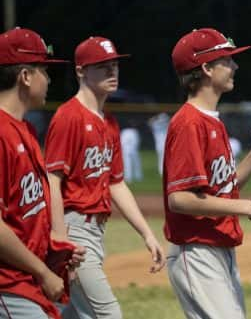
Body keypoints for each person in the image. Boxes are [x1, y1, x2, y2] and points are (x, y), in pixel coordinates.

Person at [163, 28, 251, 319]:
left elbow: (223, 189)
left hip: (216, 247)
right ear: (206, 68)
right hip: (196, 250)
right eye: (227, 60)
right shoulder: (188, 123)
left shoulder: (211, 122)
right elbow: (180, 199)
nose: (235, 66)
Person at [44, 36, 165, 319]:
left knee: (66, 314)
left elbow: (116, 182)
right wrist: (61, 242)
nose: (112, 72)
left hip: (96, 231)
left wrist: (147, 234)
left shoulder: (108, 120)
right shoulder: (68, 117)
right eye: (102, 66)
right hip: (75, 231)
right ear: (80, 71)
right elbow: (52, 181)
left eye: (114, 65)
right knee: (107, 314)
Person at [0, 27, 85, 319]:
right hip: (9, 285)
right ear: (25, 76)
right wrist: (42, 272)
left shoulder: (25, 130)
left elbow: (24, 212)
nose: (48, 79)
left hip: (27, 281)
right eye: (43, 71)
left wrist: (55, 252)